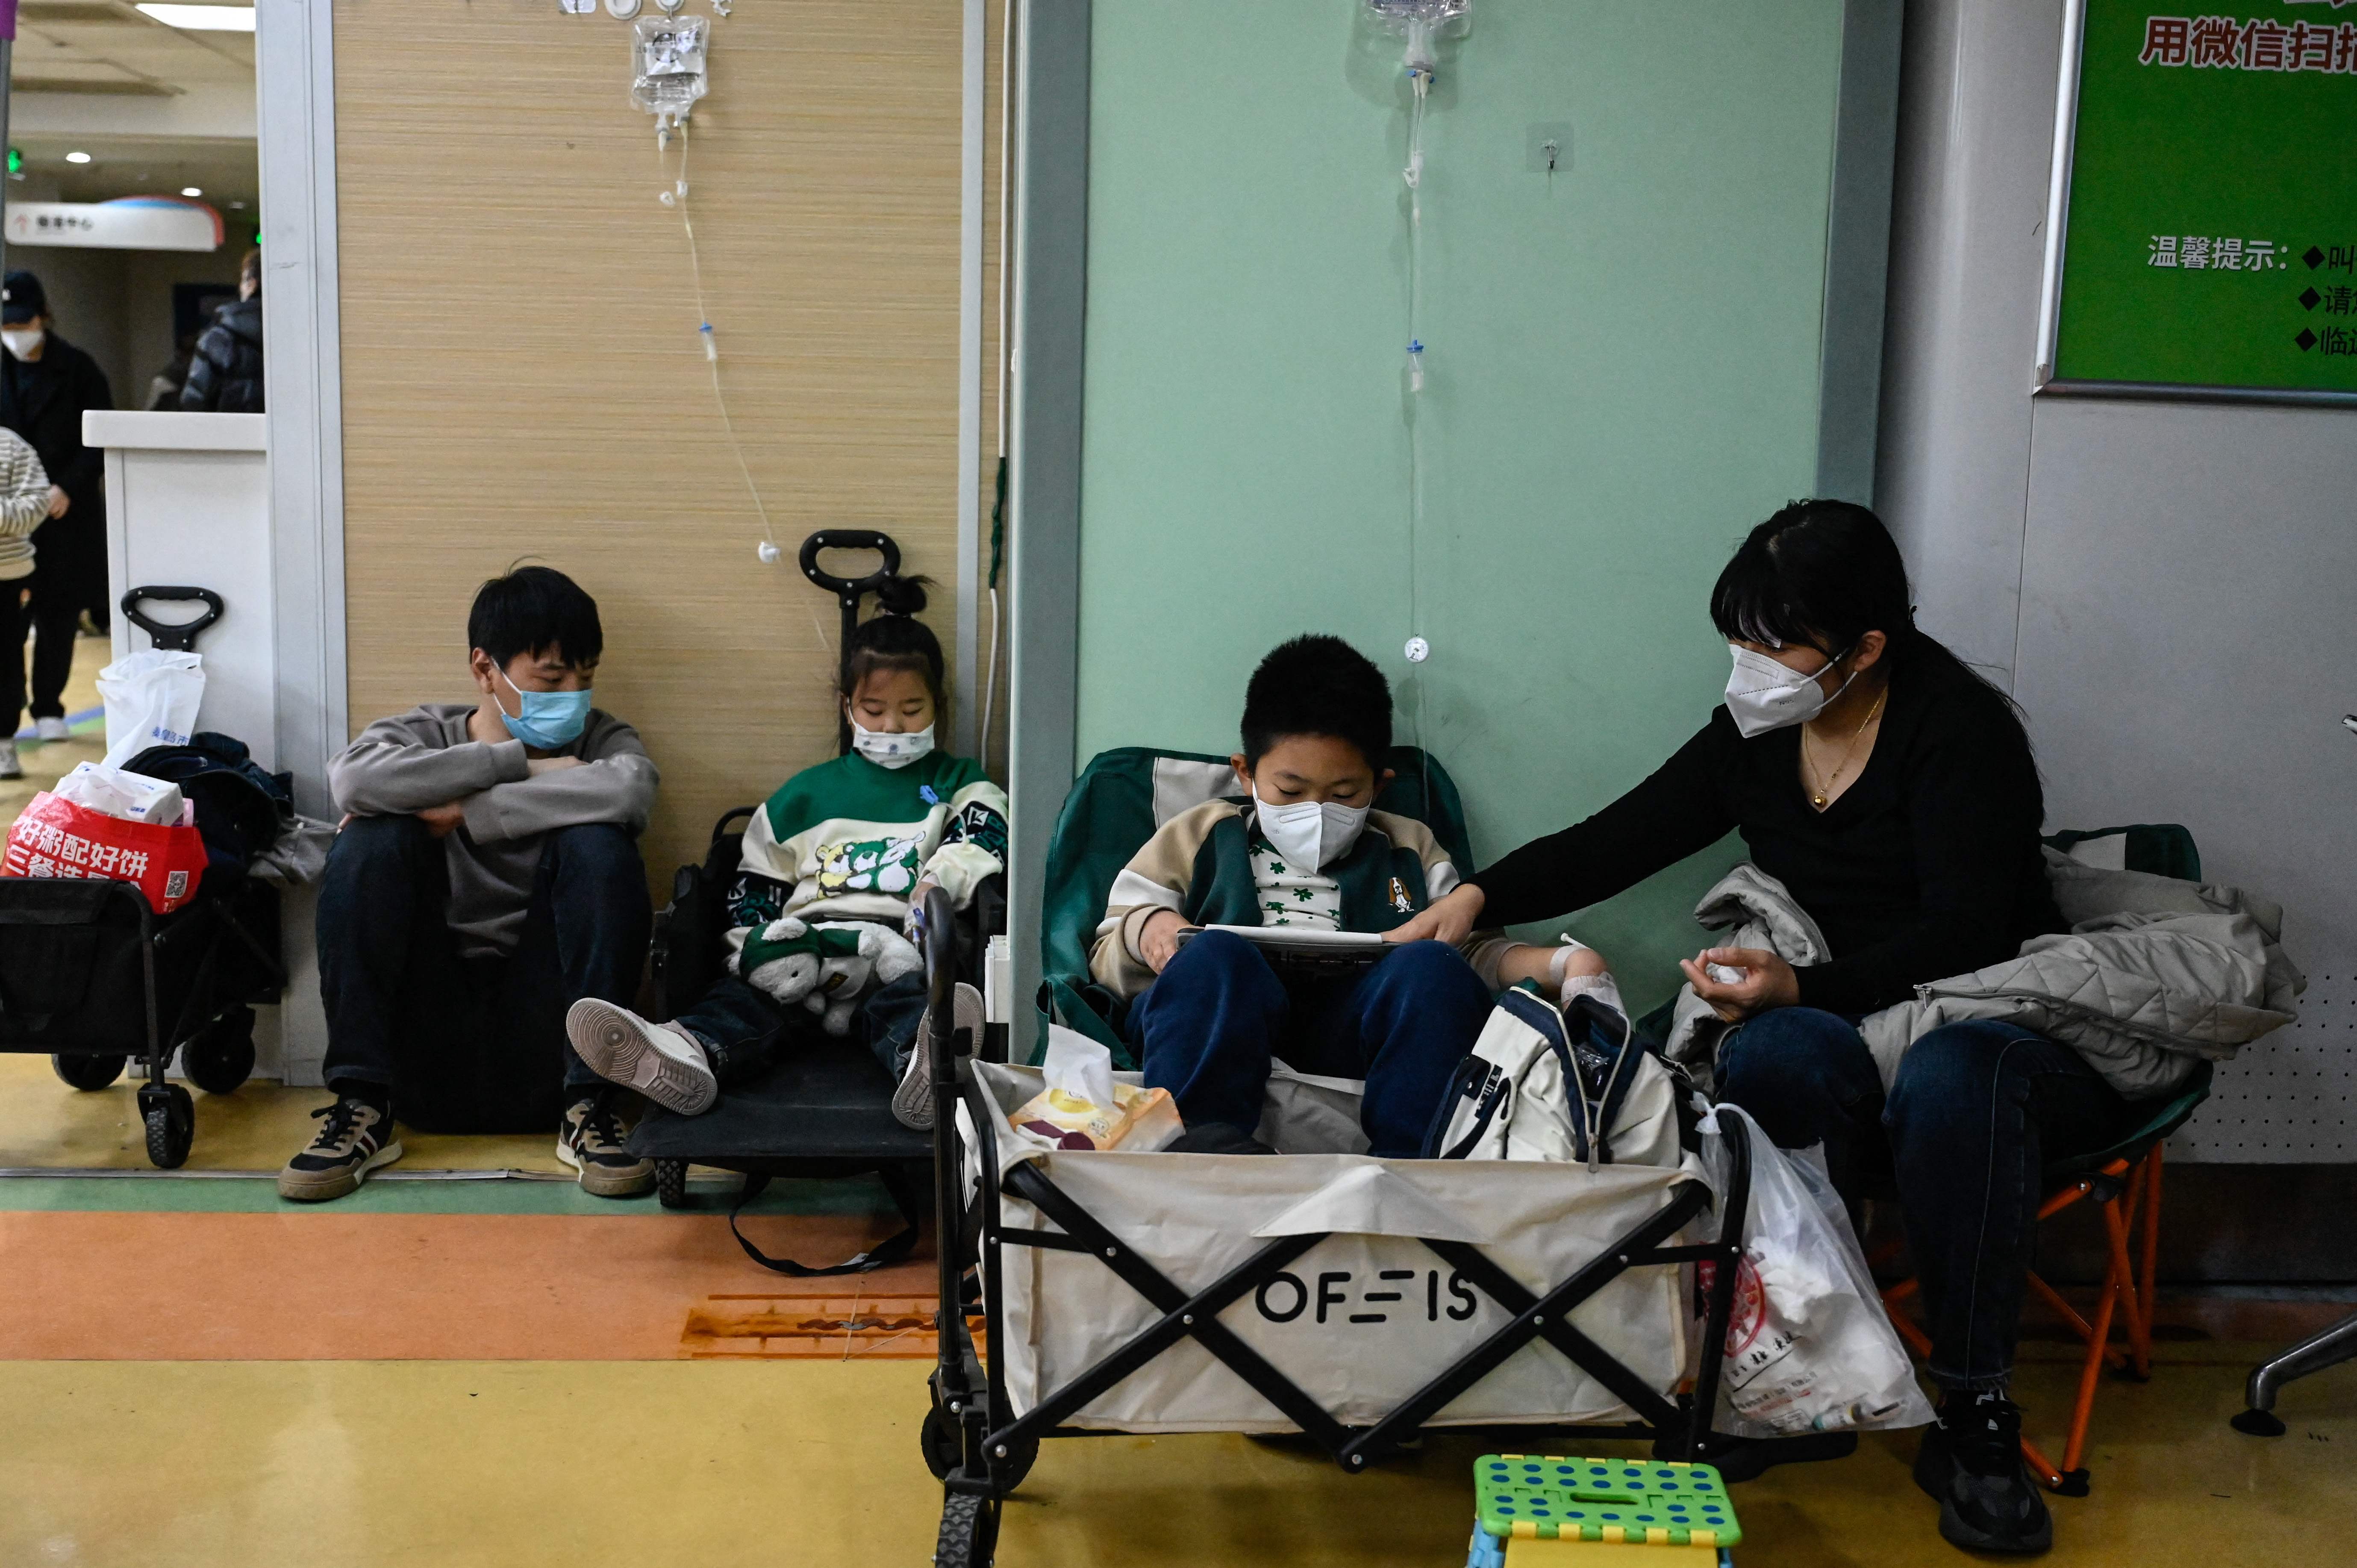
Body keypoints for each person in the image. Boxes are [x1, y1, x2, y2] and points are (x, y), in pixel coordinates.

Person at [1391, 500, 2123, 1555]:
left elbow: (1964, 932)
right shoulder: (1758, 728)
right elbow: (1627, 831)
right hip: (1829, 1012)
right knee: (1768, 1058)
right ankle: (1784, 1384)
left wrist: (1800, 985)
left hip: (1985, 1015)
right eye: (1737, 636)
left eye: (1775, 641)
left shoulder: (1955, 733)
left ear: (1866, 647)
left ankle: (1972, 1416)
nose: (1749, 665)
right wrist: (1477, 896)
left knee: (1952, 1079)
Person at [1094, 634, 1601, 1159]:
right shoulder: (1199, 833)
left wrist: (1560, 962)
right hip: (1222, 1017)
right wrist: (1147, 930)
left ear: (1379, 787)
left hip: (1354, 1026)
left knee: (1430, 965)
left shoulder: (1409, 845)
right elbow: (1108, 945)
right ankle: (1199, 1146)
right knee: (1213, 956)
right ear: (1246, 773)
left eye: (1343, 795)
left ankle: (1416, 1161)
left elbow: (1469, 954)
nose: (1315, 812)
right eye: (1289, 792)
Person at [566, 577, 1006, 1133]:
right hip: (808, 946)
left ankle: (923, 1064)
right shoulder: (802, 796)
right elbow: (754, 888)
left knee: (907, 1006)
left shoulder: (956, 780)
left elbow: (985, 834)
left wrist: (935, 880)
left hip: (898, 947)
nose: (892, 726)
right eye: (874, 709)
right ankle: (682, 1051)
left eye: (911, 709)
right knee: (745, 1003)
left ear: (937, 706)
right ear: (848, 707)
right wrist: (756, 950)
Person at [279, 566, 660, 1202]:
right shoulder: (419, 735)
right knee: (371, 839)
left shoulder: (602, 740)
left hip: (550, 1034)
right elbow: (353, 785)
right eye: (552, 678)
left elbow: (630, 788)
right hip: (427, 1033)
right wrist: (514, 763)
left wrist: (468, 810)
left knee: (600, 844)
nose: (573, 696)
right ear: (485, 670)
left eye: (585, 679)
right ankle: (362, 1105)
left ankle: (590, 1106)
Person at [0, 270, 114, 730]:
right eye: (6, 326)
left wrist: (68, 486)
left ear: (43, 316)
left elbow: (100, 441)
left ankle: (49, 705)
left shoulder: (79, 369)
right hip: (9, 522)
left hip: (66, 512)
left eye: (22, 324)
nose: (15, 335)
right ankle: (8, 712)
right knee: (8, 624)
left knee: (58, 613)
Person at [0, 429, 53, 779]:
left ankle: (4, 744)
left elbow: (37, 504)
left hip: (7, 575)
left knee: (4, 660)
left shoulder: (12, 446)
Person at [180, 250, 264, 413]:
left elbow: (194, 402)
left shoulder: (219, 339)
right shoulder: (303, 334)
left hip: (231, 435)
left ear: (251, 283)